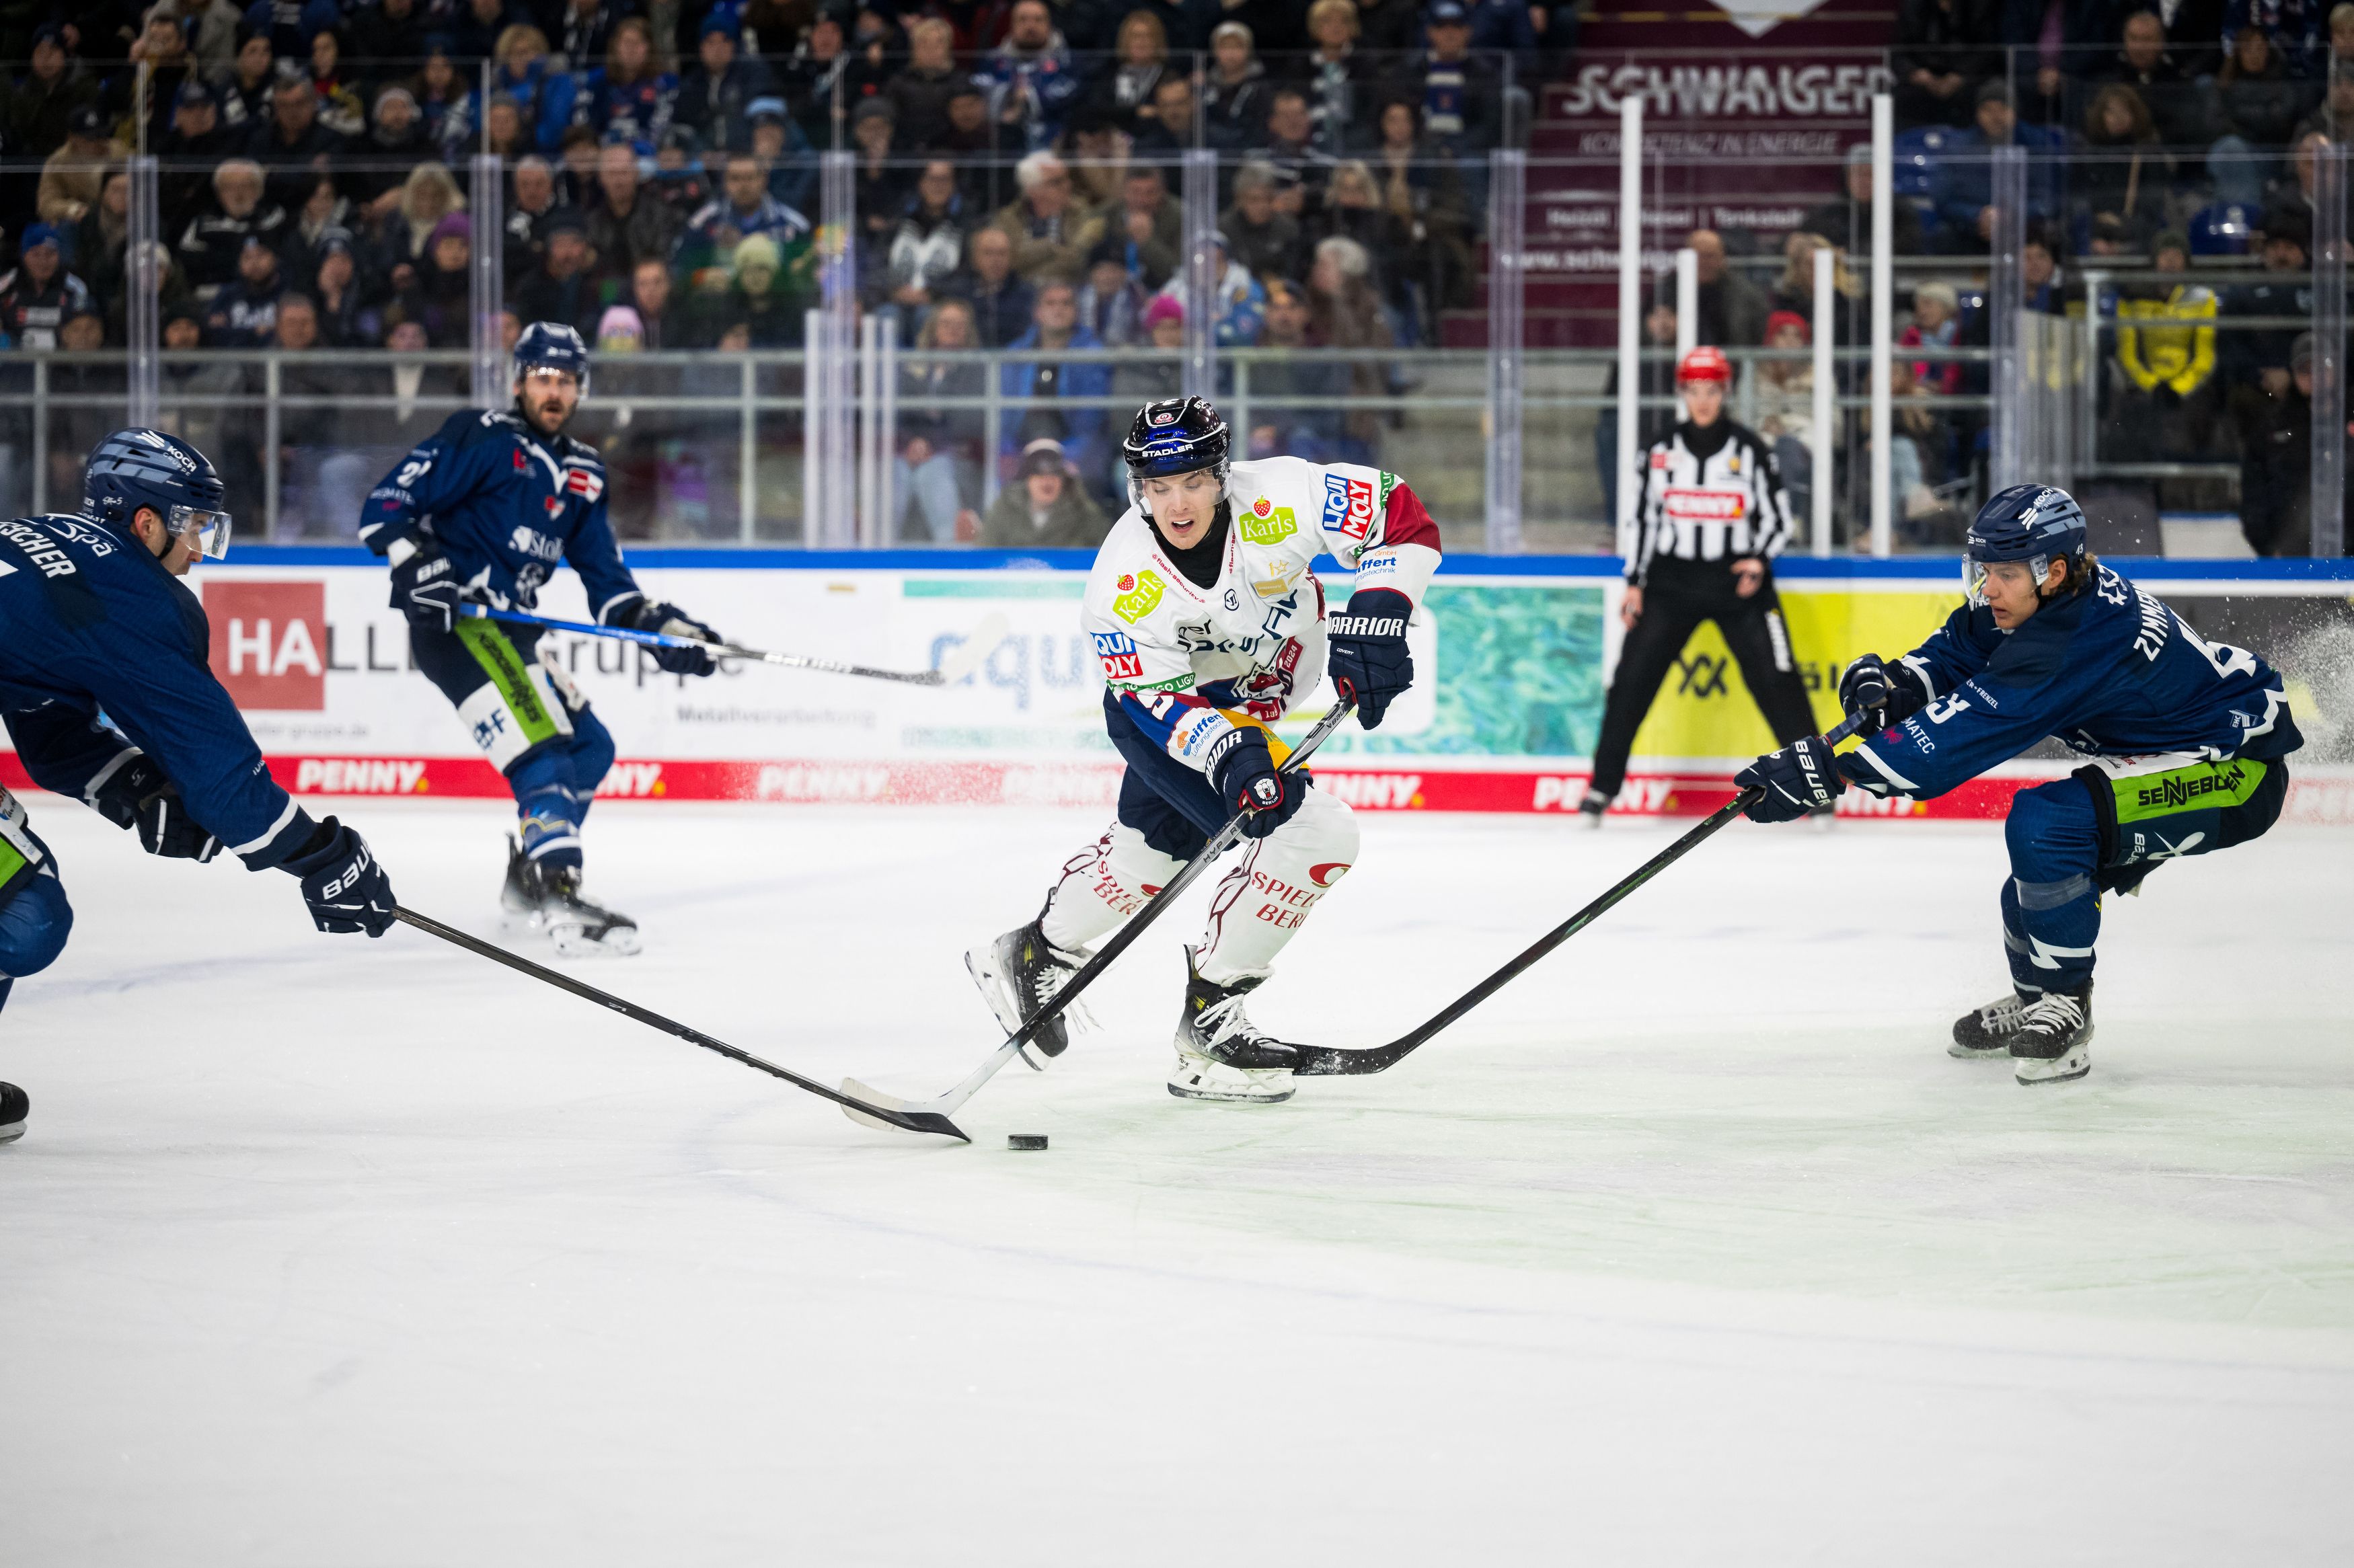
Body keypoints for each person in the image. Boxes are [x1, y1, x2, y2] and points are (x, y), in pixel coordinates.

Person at [1734, 484, 2305, 1084]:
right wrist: (1896, 685)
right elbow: (1960, 653)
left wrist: (1834, 773)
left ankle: (2067, 1008)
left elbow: (1954, 740)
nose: (1990, 589)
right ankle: (2041, 1004)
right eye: (1984, 570)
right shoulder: (2048, 599)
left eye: (2005, 573)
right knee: (2034, 891)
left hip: (2236, 770)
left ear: (2053, 571)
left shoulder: (2077, 636)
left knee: (2047, 825)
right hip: (2179, 752)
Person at [964, 395, 1441, 1103]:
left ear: (1221, 475)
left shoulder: (1283, 494)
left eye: (1191, 482)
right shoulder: (1122, 584)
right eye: (1158, 488)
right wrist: (1233, 755)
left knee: (1150, 854)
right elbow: (1153, 699)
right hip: (1163, 714)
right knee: (1314, 832)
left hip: (1255, 697)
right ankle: (1211, 1028)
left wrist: (1379, 613)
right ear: (1138, 490)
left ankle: (1037, 949)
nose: (1177, 503)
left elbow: (1401, 517)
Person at [0, 429, 398, 1142]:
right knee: (27, 916)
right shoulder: (136, 596)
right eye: (195, 527)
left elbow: (48, 729)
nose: (198, 552)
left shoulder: (38, 540)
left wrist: (138, 790)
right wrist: (326, 857)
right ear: (145, 523)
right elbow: (225, 782)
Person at [356, 323, 723, 955]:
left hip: (515, 631)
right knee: (544, 748)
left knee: (591, 749)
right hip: (458, 625)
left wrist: (667, 631)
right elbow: (384, 507)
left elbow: (609, 586)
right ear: (520, 381)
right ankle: (561, 890)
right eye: (542, 378)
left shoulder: (583, 473)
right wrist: (420, 566)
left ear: (582, 389)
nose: (553, 391)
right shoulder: (483, 438)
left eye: (566, 381)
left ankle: (529, 880)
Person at [1582, 345, 1815, 824]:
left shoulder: (1750, 450)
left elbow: (1777, 518)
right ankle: (1601, 789)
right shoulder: (1661, 450)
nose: (1703, 400)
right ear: (1682, 392)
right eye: (1694, 390)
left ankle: (1815, 788)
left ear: (1724, 392)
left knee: (1779, 679)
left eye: (1712, 390)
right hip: (1671, 582)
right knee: (1629, 684)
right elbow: (1642, 521)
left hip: (1738, 585)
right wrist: (1635, 583)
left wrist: (1758, 562)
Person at [979, 438, 1109, 547]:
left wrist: (1079, 496)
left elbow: (1107, 556)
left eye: (1055, 474)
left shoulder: (1085, 515)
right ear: (1027, 479)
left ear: (1064, 480)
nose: (1047, 481)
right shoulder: (1004, 511)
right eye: (1039, 474)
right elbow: (985, 554)